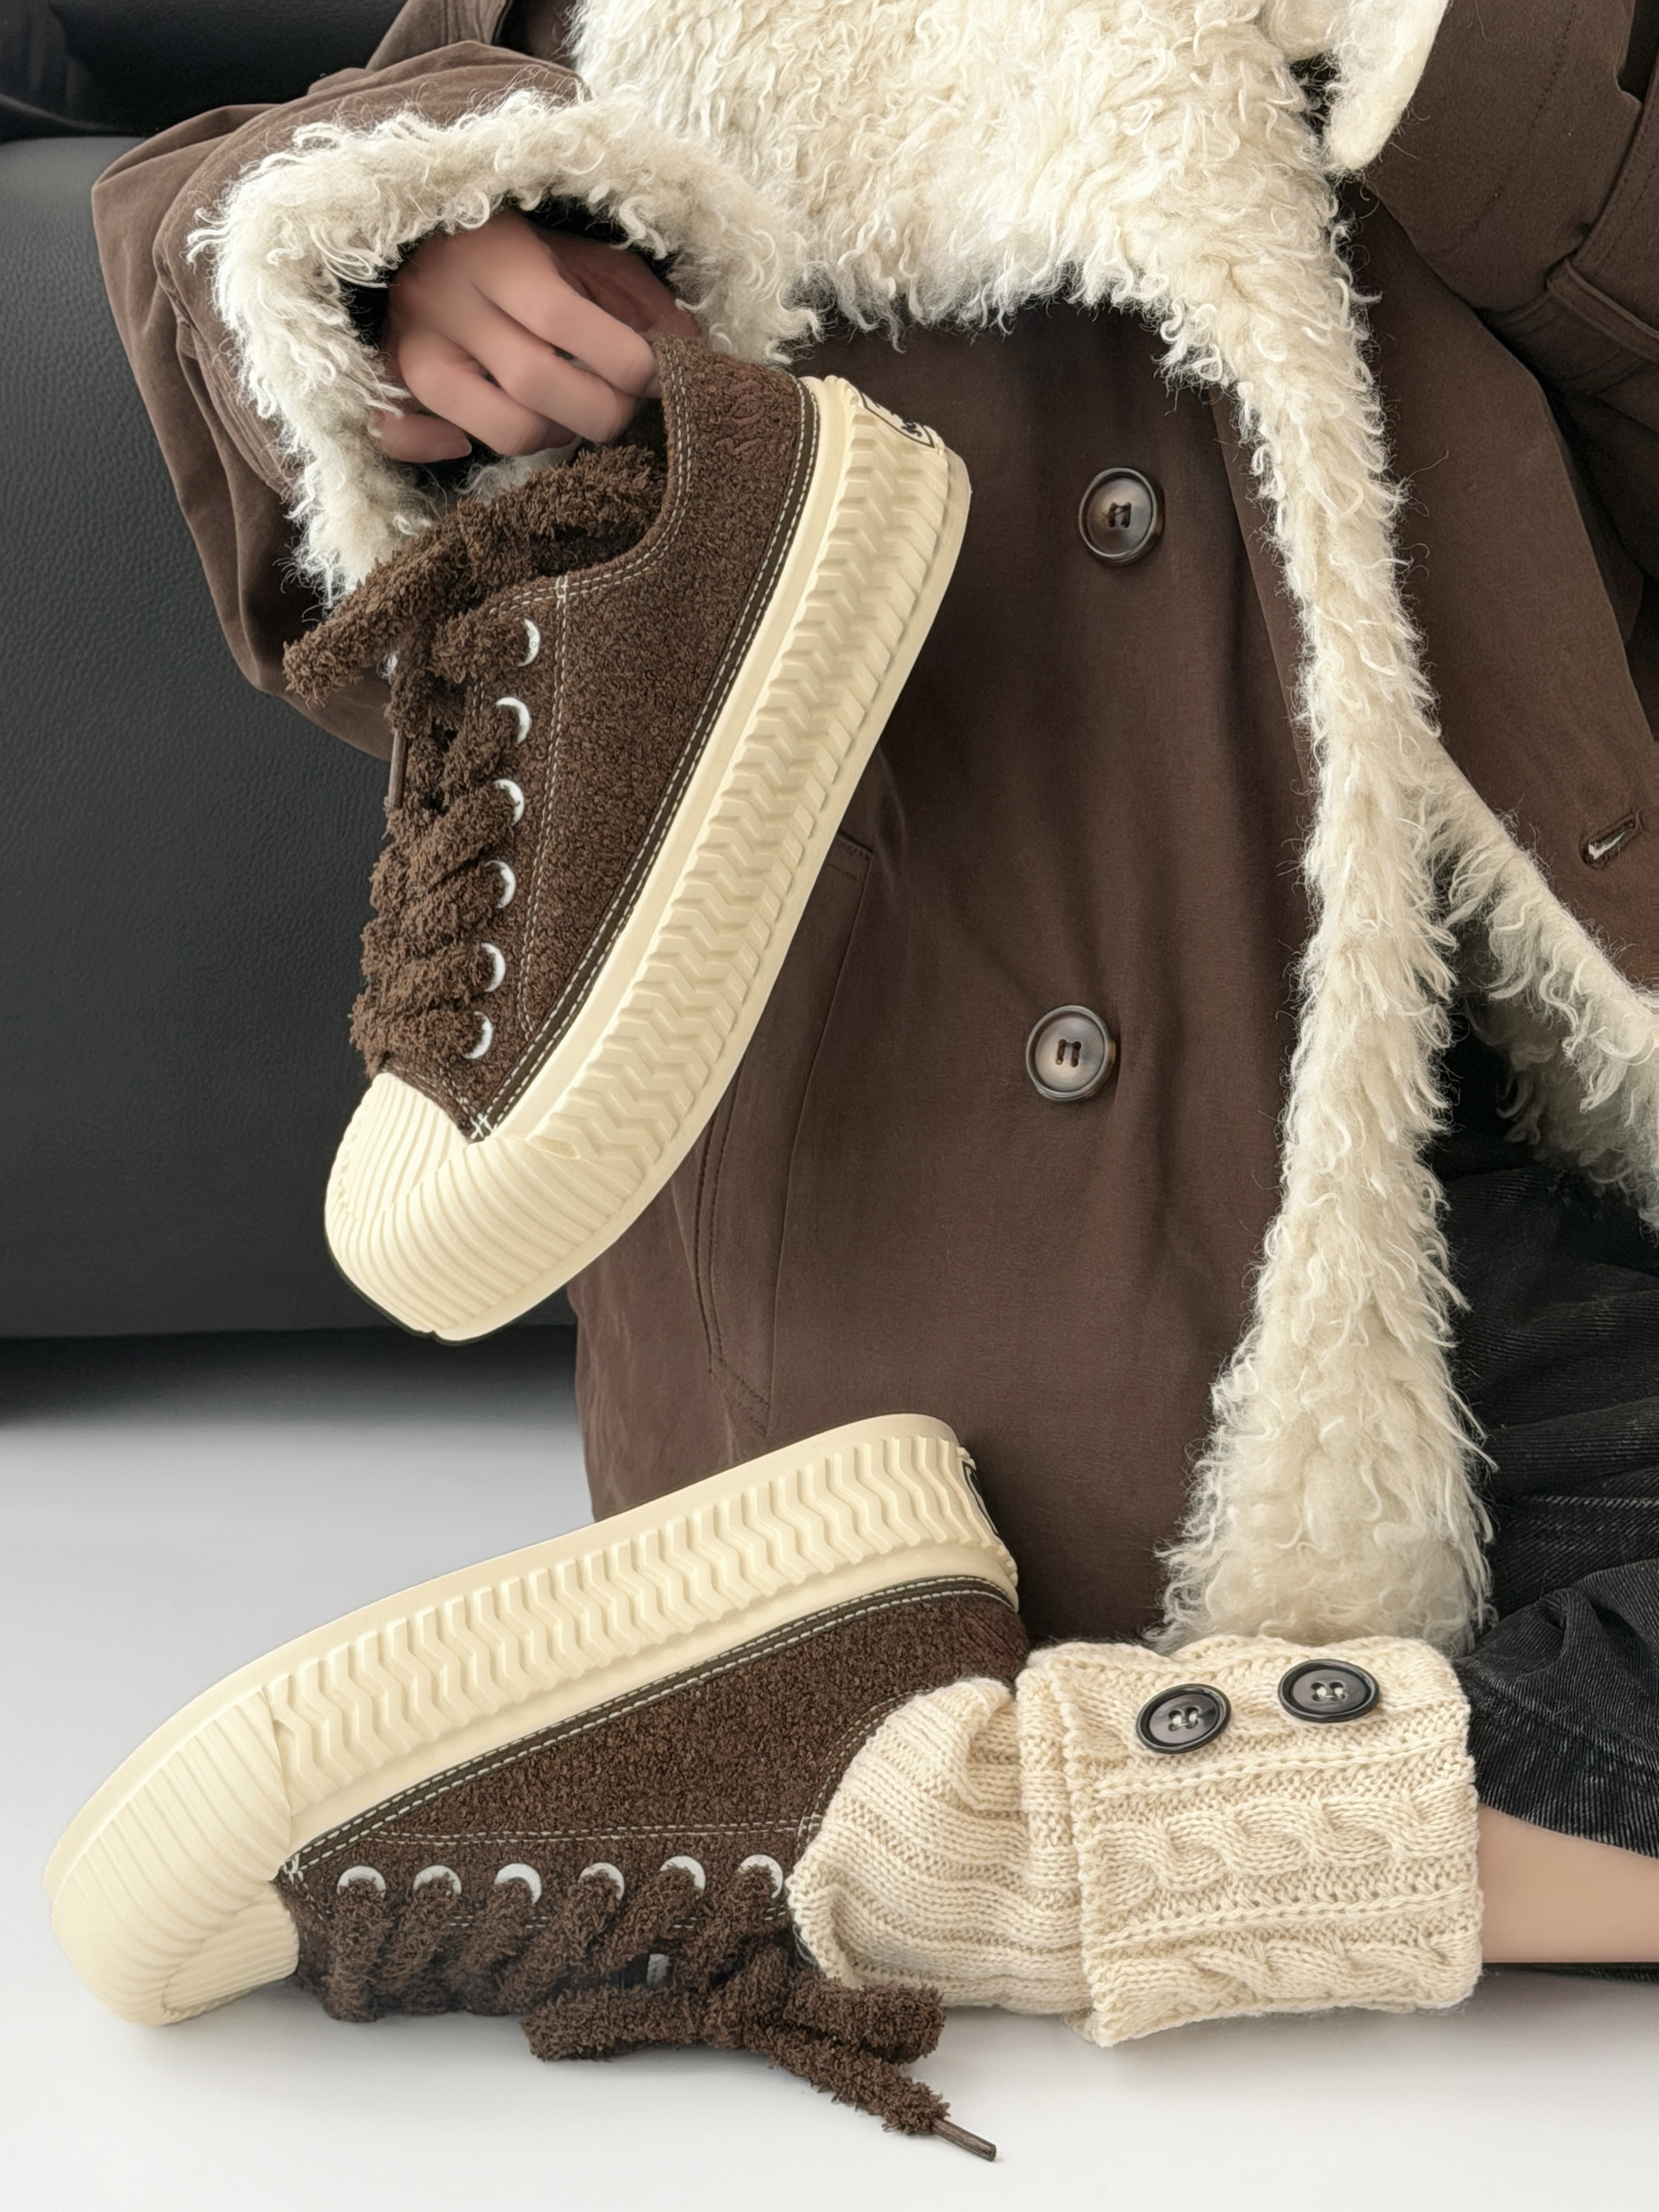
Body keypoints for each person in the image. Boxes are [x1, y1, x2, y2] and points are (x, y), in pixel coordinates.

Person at [71, 0, 1659, 2101]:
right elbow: (249, 212)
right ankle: (638, 626)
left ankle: (952, 1832)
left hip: (1479, 1184)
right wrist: (422, 259)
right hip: (949, 1232)